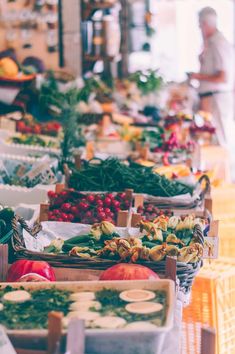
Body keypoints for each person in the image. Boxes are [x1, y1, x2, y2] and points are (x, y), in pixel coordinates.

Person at [188, 7, 234, 146]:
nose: (199, 29)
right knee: (211, 140)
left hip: (217, 98)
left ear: (205, 24)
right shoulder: (210, 43)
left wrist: (198, 76)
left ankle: (223, 168)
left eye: (200, 25)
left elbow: (223, 77)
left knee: (219, 141)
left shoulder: (218, 43)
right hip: (210, 98)